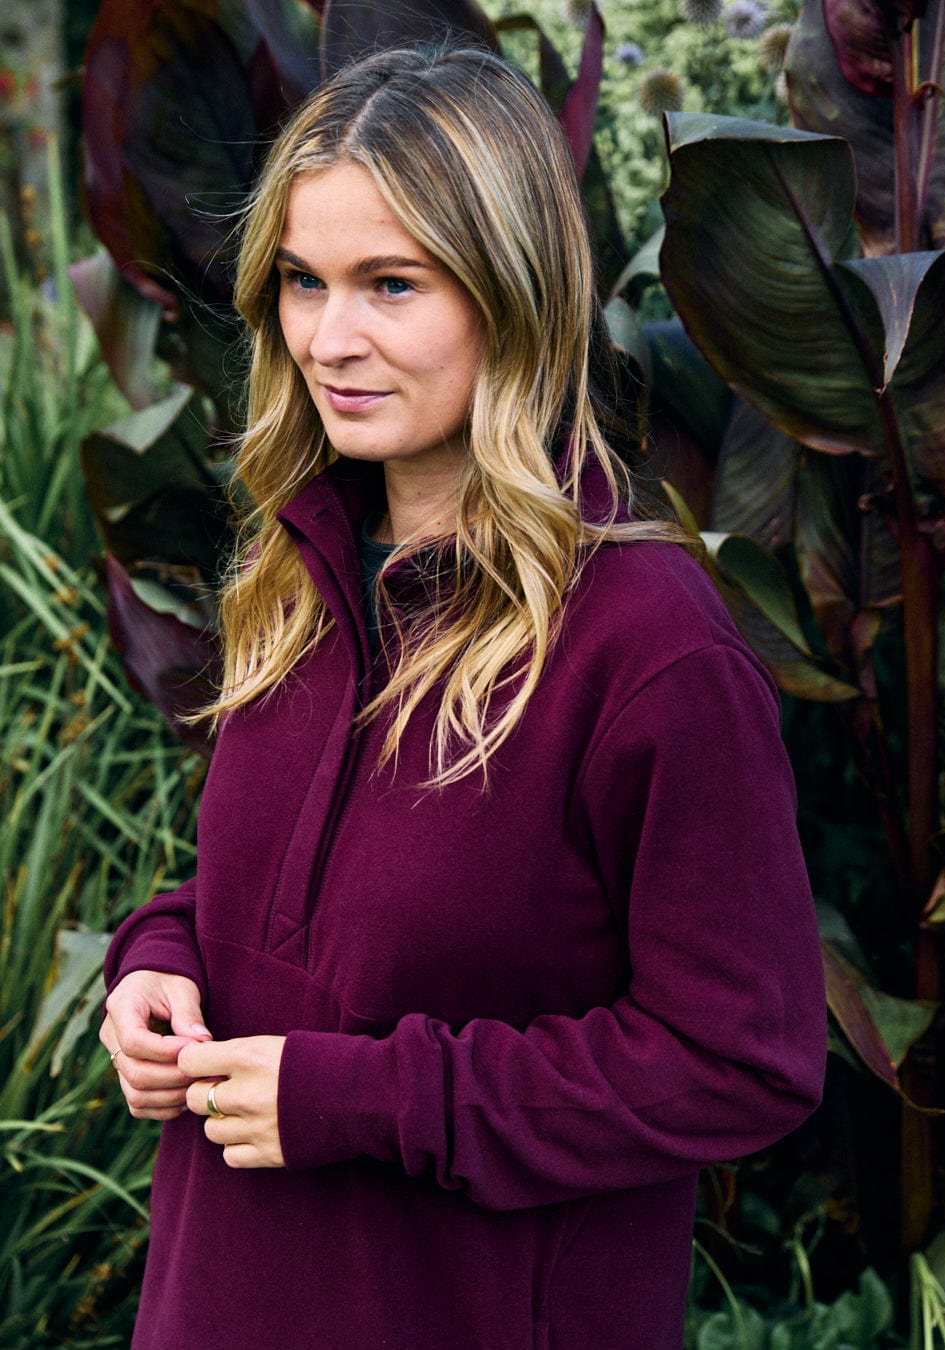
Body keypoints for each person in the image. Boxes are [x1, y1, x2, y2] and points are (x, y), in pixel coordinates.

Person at [100, 44, 826, 1350]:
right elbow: (283, 908)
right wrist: (158, 963)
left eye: (392, 285)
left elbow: (742, 1057)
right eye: (305, 284)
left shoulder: (647, 651)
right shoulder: (297, 575)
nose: (330, 338)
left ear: (514, 295)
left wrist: (373, 1101)